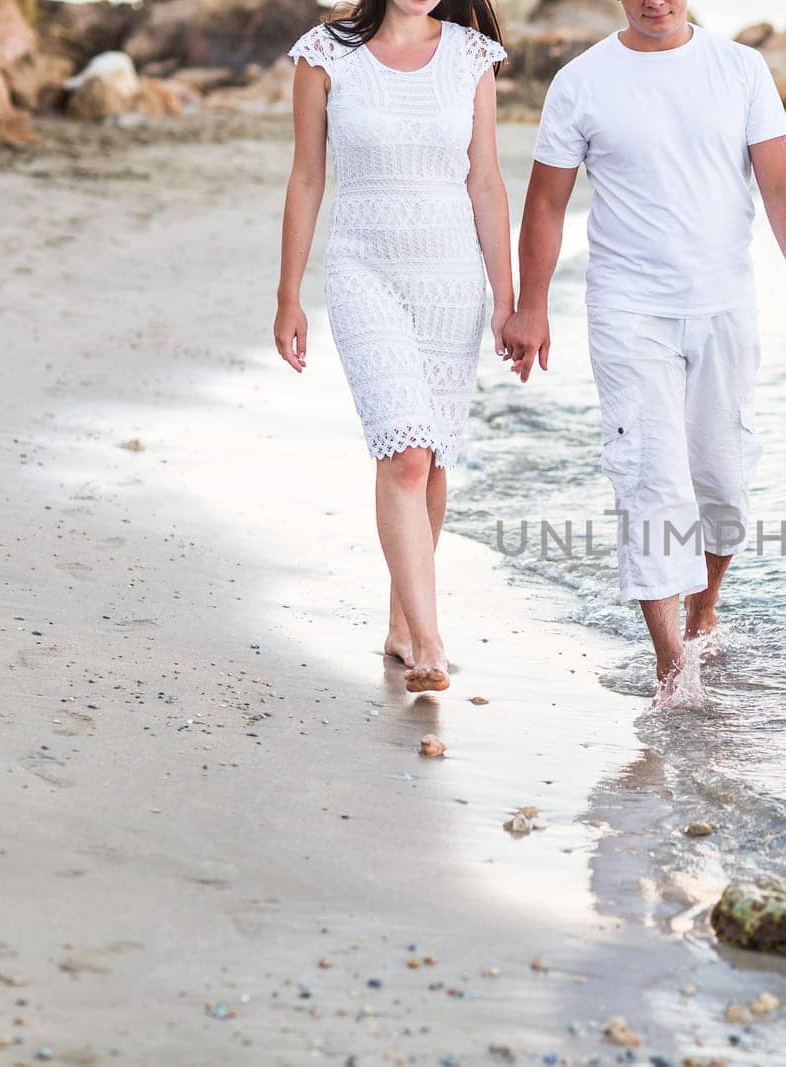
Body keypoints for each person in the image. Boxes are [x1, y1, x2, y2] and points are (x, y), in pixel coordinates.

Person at [504, 0, 786, 699]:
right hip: (630, 311)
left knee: (722, 482)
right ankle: (670, 666)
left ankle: (704, 605)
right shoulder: (582, 81)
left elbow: (781, 186)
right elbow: (545, 204)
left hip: (723, 305)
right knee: (653, 481)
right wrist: (531, 305)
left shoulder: (741, 70)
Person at [273, 0, 512, 693]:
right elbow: (308, 176)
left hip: (450, 279)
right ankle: (431, 642)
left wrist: (508, 298)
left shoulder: (471, 57)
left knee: (432, 458)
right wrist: (289, 294)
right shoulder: (325, 54)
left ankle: (403, 620)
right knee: (405, 452)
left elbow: (487, 181)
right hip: (363, 271)